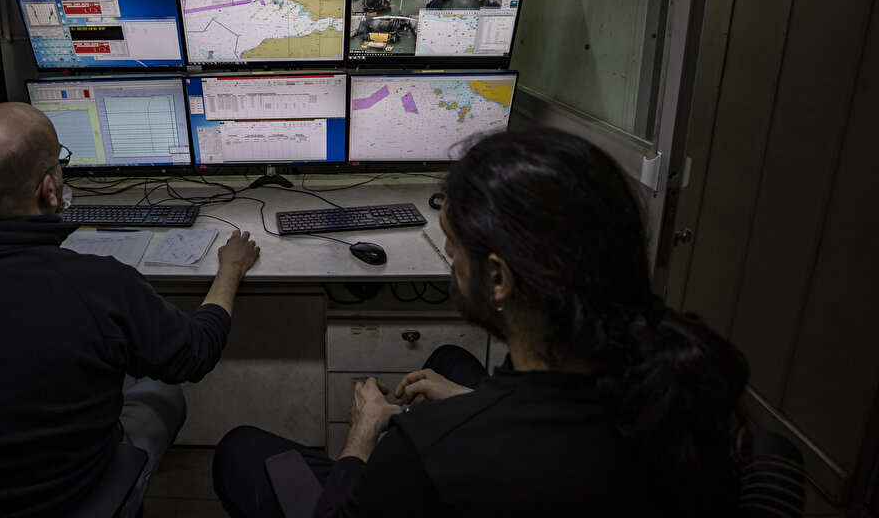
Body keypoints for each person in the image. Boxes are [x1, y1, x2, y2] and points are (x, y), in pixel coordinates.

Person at [213, 126, 747, 518]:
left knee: (239, 450)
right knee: (450, 363)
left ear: (498, 279)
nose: (446, 255)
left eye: (450, 242)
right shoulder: (687, 393)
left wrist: (363, 435)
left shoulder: (425, 449)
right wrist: (470, 399)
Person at [0, 102, 259, 518]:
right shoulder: (100, 287)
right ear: (48, 191)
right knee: (162, 392)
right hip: (68, 502)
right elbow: (194, 354)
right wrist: (229, 269)